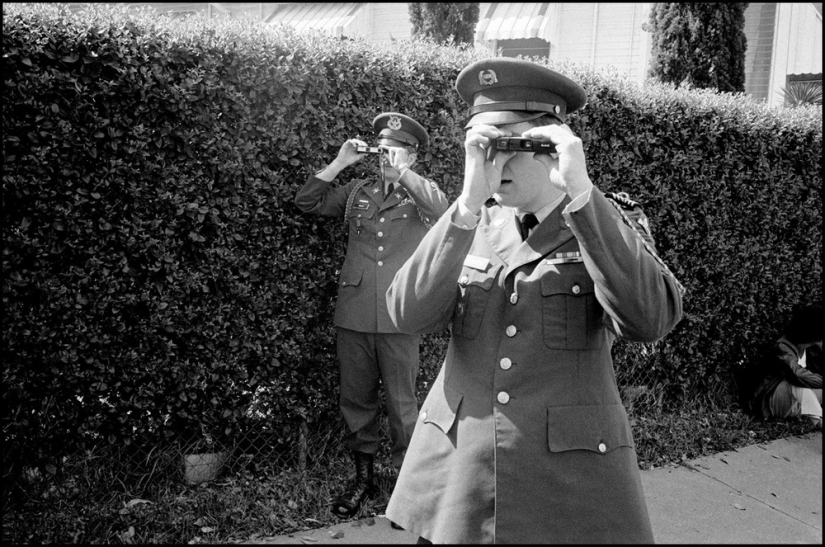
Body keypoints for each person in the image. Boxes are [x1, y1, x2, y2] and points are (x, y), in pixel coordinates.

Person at [382, 58, 684, 543]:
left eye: (506, 146)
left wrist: (581, 194)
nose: (490, 164)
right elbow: (406, 313)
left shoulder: (601, 220)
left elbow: (650, 319)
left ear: (549, 145)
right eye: (480, 147)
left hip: (565, 482)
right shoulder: (469, 223)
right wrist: (464, 207)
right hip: (463, 474)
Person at [294, 112, 450, 520]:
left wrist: (404, 176)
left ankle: (407, 487)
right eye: (383, 149)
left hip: (400, 314)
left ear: (413, 157)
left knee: (403, 405)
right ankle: (362, 479)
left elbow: (444, 210)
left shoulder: (419, 194)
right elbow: (307, 201)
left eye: (395, 151)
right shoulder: (358, 190)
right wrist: (341, 162)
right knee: (356, 400)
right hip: (355, 311)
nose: (386, 157)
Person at [751, 303, 823, 428]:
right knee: (799, 385)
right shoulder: (782, 347)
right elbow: (796, 375)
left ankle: (809, 414)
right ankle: (818, 422)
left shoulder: (812, 348)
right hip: (770, 402)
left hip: (797, 401)